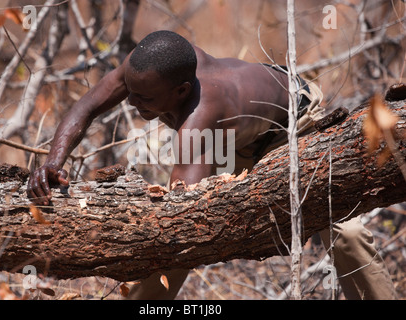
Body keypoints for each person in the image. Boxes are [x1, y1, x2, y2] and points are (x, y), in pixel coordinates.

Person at [27, 30, 397, 300]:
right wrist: (52, 162)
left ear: (181, 91)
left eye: (144, 98)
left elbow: (179, 215)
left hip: (291, 127)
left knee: (344, 235)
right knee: (181, 237)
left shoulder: (202, 113)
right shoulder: (146, 67)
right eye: (129, 90)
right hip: (232, 138)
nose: (131, 102)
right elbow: (87, 106)